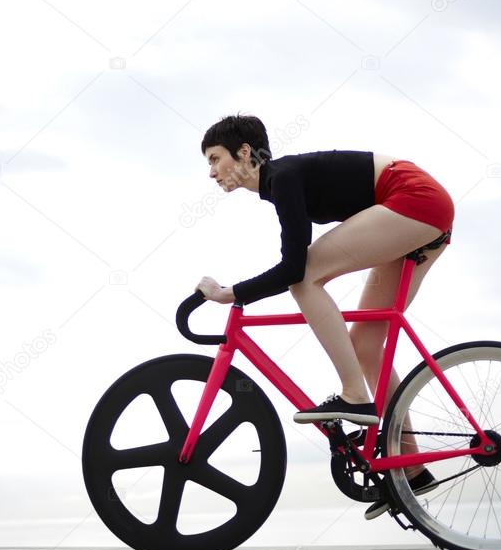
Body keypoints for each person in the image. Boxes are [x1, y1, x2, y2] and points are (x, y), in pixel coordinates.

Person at [194, 114, 452, 519]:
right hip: (422, 209)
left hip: (412, 199)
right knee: (365, 347)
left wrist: (231, 293)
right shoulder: (282, 183)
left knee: (306, 279)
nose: (211, 172)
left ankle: (355, 396)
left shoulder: (282, 176)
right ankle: (413, 469)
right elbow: (292, 261)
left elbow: (294, 269)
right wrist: (236, 293)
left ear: (244, 153)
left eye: (214, 158)